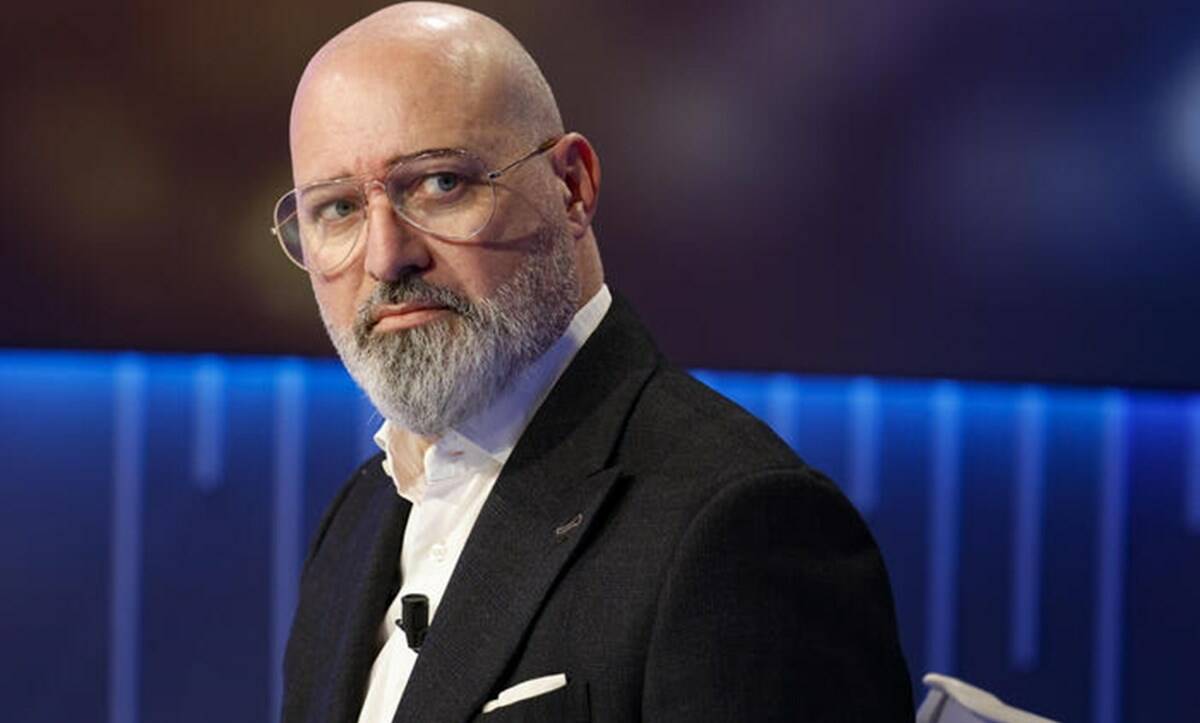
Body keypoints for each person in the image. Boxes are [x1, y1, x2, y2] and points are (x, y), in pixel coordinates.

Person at [275, 3, 913, 721]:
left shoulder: (743, 526)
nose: (387, 257)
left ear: (572, 187)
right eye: (338, 209)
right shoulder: (357, 519)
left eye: (440, 182)